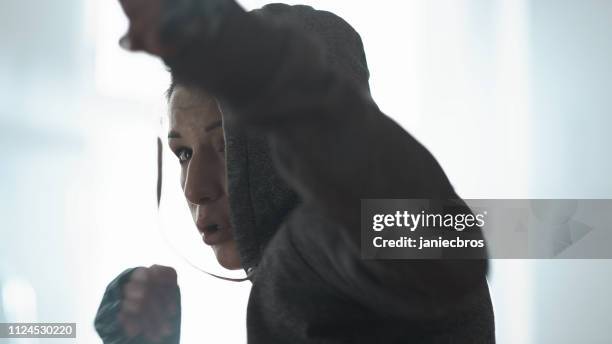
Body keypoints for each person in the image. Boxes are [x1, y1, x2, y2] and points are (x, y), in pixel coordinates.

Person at [95, 1, 495, 343]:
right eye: (183, 153)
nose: (196, 188)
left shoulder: (319, 241)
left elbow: (445, 242)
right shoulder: (288, 268)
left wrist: (253, 62)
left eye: (227, 146)